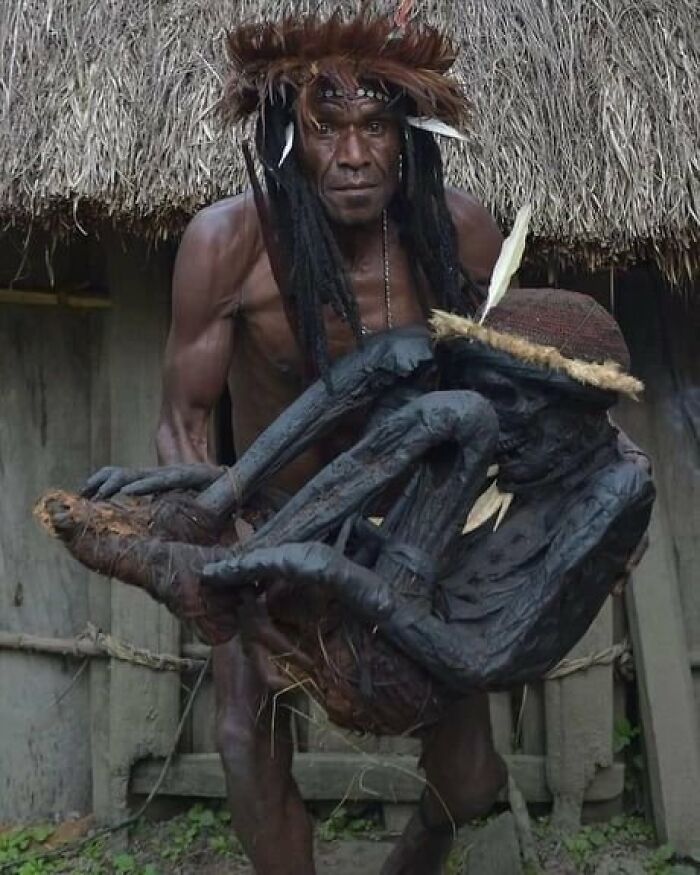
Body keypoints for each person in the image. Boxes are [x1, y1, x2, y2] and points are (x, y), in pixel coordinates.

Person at [82, 12, 508, 875]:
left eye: (375, 126)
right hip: (271, 528)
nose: (353, 155)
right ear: (286, 137)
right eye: (326, 128)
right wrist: (238, 570)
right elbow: (184, 424)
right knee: (246, 738)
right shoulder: (228, 244)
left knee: (468, 779)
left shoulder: (458, 235)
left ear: (407, 136)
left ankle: (415, 857)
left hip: (416, 536)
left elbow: (510, 394)